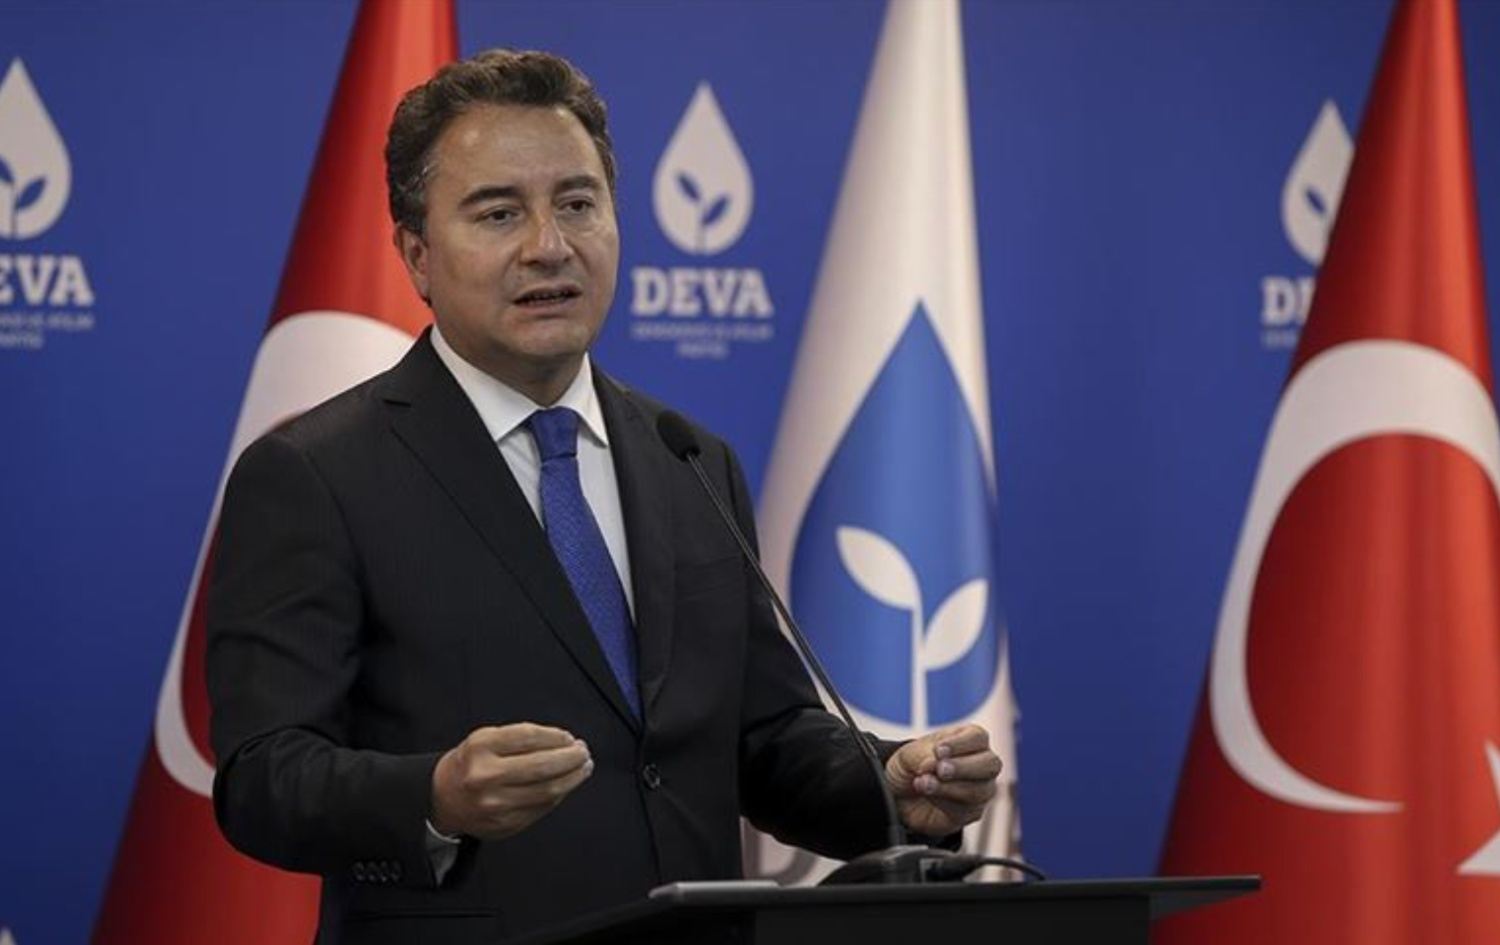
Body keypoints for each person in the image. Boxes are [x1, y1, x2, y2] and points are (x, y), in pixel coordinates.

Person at [207, 49, 1002, 945]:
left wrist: (889, 783)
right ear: (417, 255)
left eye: (578, 204)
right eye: (499, 212)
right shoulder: (316, 474)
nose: (549, 245)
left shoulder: (689, 458)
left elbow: (764, 738)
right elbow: (263, 777)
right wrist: (434, 795)